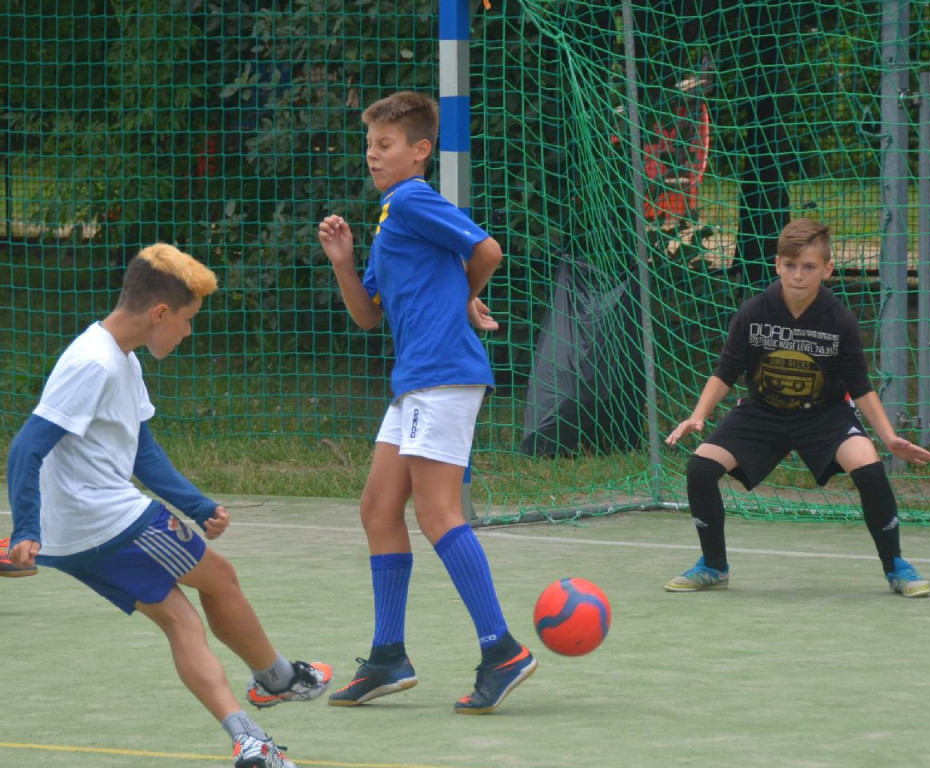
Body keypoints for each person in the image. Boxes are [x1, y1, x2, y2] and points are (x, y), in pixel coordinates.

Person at [5, 244, 333, 768]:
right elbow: (26, 446)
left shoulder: (122, 359)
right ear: (159, 313)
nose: (188, 332)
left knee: (182, 622)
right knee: (220, 578)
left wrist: (197, 505)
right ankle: (277, 680)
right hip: (109, 520)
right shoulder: (92, 362)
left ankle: (250, 739)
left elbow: (142, 452)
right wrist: (25, 528)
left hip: (76, 538)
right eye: (186, 320)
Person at [318, 91, 536, 715]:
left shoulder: (412, 198)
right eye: (369, 146)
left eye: (385, 146)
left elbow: (487, 251)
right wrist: (344, 262)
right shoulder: (391, 221)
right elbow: (367, 316)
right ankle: (389, 655)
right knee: (378, 508)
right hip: (414, 380)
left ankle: (503, 651)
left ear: (419, 152)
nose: (373, 156)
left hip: (442, 374)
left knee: (438, 514)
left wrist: (460, 299)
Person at [664, 218, 930, 597]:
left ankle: (896, 567)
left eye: (809, 267)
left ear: (827, 269)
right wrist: (698, 415)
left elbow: (860, 387)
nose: (798, 276)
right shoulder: (754, 311)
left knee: (870, 468)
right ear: (777, 265)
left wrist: (888, 437)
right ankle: (713, 565)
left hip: (824, 415)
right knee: (700, 467)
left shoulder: (839, 320)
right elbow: (725, 372)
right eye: (790, 266)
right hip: (763, 413)